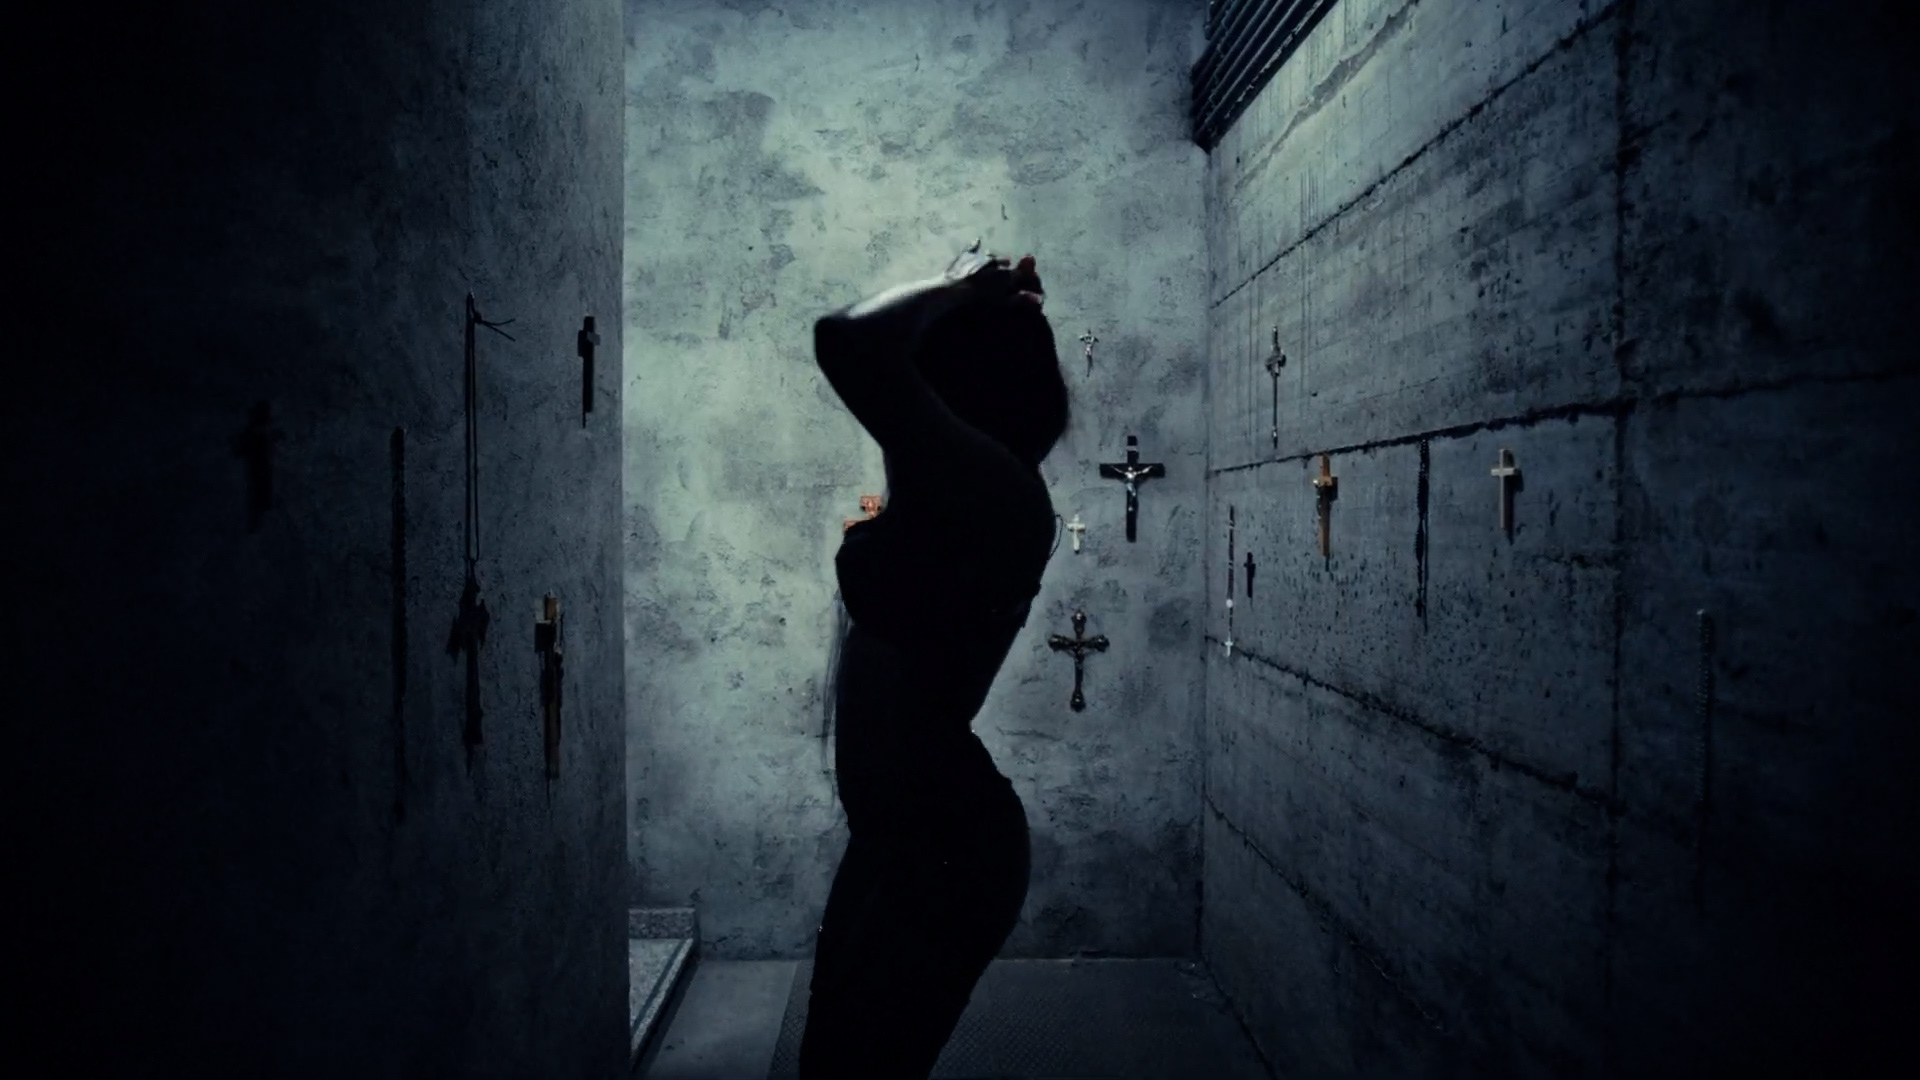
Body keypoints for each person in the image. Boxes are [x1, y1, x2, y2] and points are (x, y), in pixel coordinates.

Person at [798, 245, 1068, 1079]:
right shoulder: (956, 492)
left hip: (942, 843)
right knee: (832, 1064)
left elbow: (846, 340)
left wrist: (960, 291)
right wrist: (961, 298)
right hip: (896, 834)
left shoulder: (992, 486)